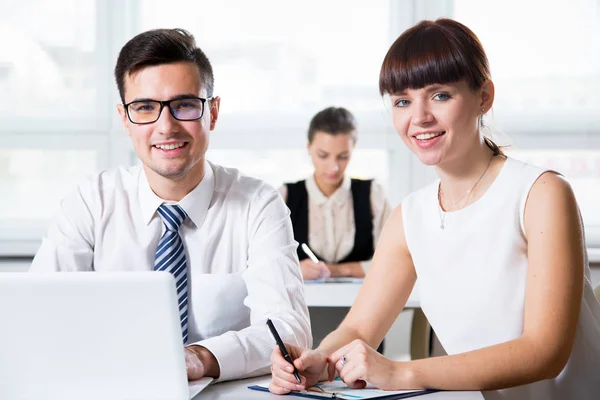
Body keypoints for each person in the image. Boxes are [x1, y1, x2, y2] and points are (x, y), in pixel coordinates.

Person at [269, 18, 600, 399]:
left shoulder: (542, 194)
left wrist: (401, 372)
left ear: (484, 96)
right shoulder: (410, 217)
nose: (420, 117)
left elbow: (545, 352)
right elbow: (359, 329)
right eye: (402, 101)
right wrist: (319, 360)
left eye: (440, 95)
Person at [29, 28, 312, 382]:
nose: (166, 126)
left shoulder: (258, 205)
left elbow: (288, 331)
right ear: (124, 119)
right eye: (145, 107)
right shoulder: (90, 203)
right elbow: (37, 316)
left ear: (213, 112)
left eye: (185, 105)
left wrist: (201, 358)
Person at [279, 107, 392, 281]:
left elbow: (393, 260)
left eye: (343, 156)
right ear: (308, 148)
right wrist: (293, 269)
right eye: (323, 155)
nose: (334, 167)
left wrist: (336, 270)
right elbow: (265, 265)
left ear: (353, 148)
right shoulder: (285, 197)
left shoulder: (372, 195)